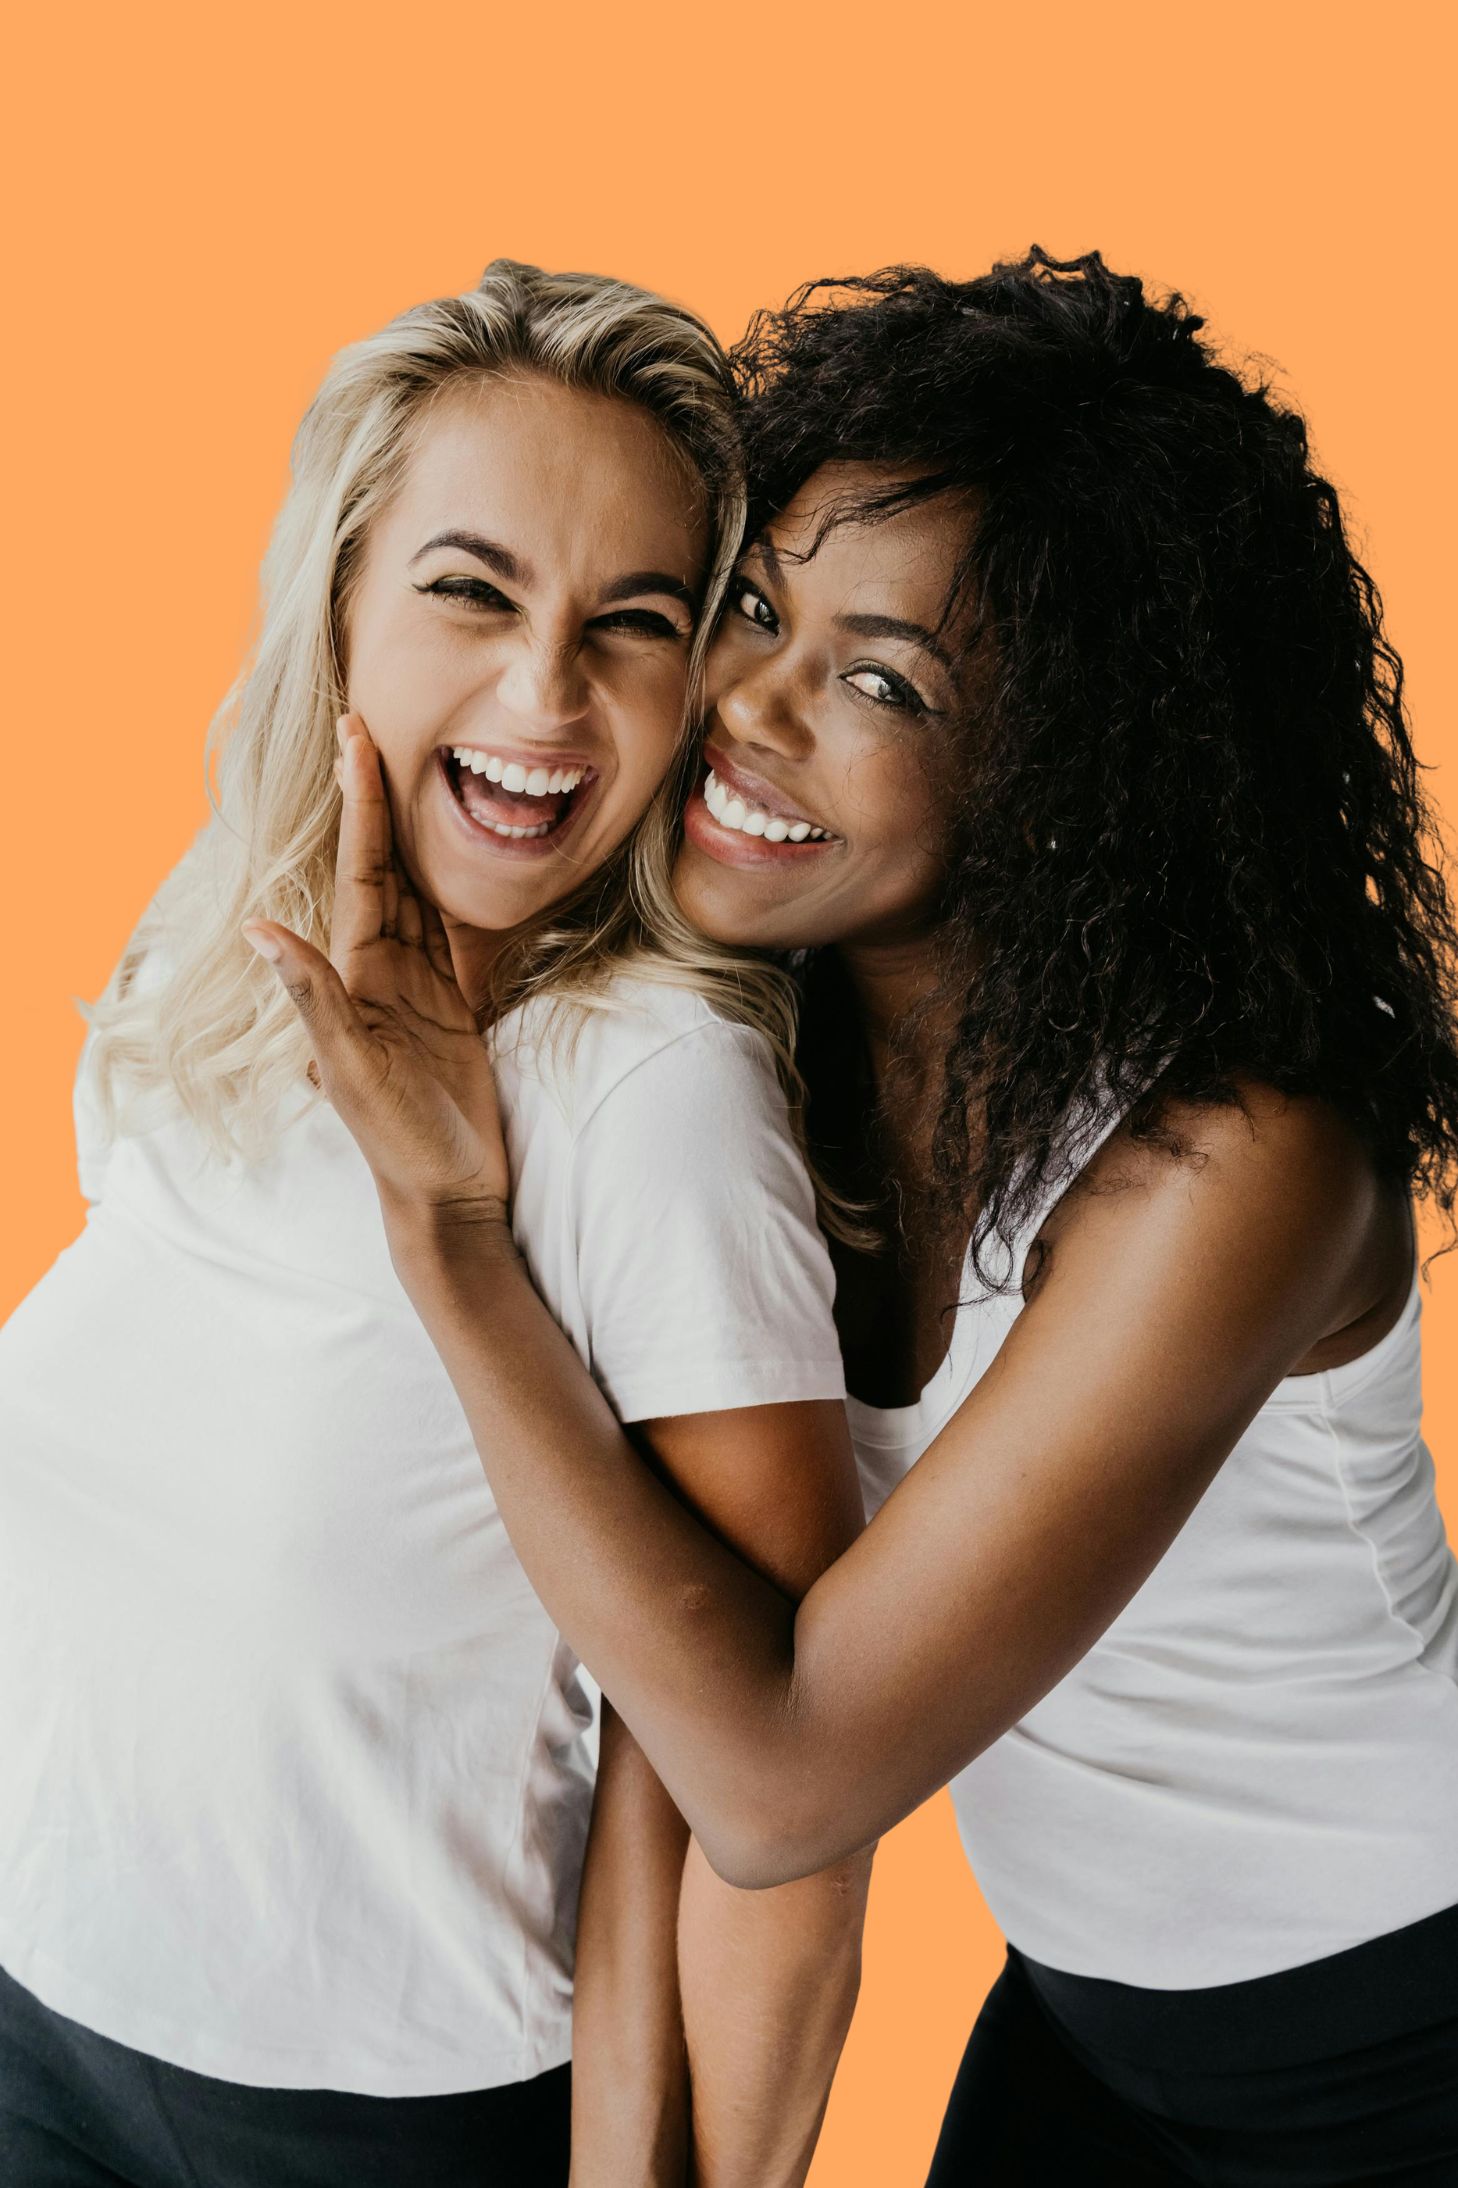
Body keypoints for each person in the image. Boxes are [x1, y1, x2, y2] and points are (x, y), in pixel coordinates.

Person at [253, 250, 1458, 2185]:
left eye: (882, 679)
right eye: (752, 607)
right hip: (1081, 2015)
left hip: (1397, 2036)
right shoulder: (759, 1043)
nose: (743, 705)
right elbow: (692, 1629)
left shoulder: (1230, 1161)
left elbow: (783, 1776)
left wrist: (455, 1243)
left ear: (1066, 774)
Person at [0, 258, 869, 2188]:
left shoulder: (647, 1091)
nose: (544, 695)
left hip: (361, 2114)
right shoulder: (226, 941)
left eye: (630, 625)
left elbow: (776, 1795)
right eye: (471, 589)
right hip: (42, 2005)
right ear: (337, 593)